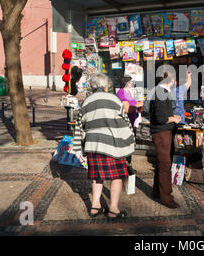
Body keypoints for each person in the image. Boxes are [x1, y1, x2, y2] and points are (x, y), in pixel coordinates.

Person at [78, 74, 135, 218]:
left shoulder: (86, 102)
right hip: (114, 145)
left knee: (97, 176)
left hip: (93, 145)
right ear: (106, 86)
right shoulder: (114, 99)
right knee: (117, 177)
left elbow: (80, 126)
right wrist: (130, 140)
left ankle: (95, 206)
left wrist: (82, 148)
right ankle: (113, 209)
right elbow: (126, 121)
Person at [149, 72, 182, 209]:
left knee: (161, 163)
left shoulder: (161, 91)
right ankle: (166, 197)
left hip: (163, 131)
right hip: (161, 132)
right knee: (165, 165)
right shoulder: (161, 92)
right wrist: (173, 119)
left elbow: (161, 114)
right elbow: (160, 118)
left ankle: (157, 191)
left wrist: (172, 116)